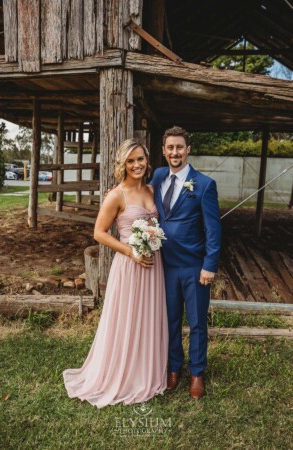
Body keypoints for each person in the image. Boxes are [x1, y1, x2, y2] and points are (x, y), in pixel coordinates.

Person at [63, 139, 168, 408]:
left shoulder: (153, 190)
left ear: (147, 161)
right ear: (123, 164)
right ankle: (122, 375)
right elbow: (98, 233)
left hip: (153, 267)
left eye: (141, 159)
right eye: (131, 161)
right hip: (129, 266)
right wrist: (131, 251)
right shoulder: (116, 195)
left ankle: (146, 372)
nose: (137, 165)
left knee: (148, 318)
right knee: (127, 319)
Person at [150, 126, 221, 399]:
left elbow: (214, 230)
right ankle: (174, 368)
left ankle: (197, 373)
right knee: (169, 320)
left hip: (194, 267)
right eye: (170, 148)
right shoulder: (157, 177)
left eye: (179, 147)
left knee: (196, 322)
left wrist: (210, 265)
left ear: (188, 150)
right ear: (164, 151)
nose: (175, 152)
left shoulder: (204, 185)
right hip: (165, 266)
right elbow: (136, 190)